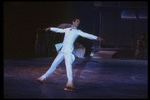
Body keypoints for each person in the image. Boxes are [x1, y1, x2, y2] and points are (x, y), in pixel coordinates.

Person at [36, 18, 105, 91]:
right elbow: (59, 30)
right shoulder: (67, 29)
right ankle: (42, 78)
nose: (78, 23)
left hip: (69, 51)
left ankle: (70, 83)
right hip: (62, 50)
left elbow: (86, 35)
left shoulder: (78, 31)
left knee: (68, 67)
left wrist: (97, 38)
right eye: (77, 21)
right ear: (73, 22)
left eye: (79, 22)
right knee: (54, 64)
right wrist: (50, 28)